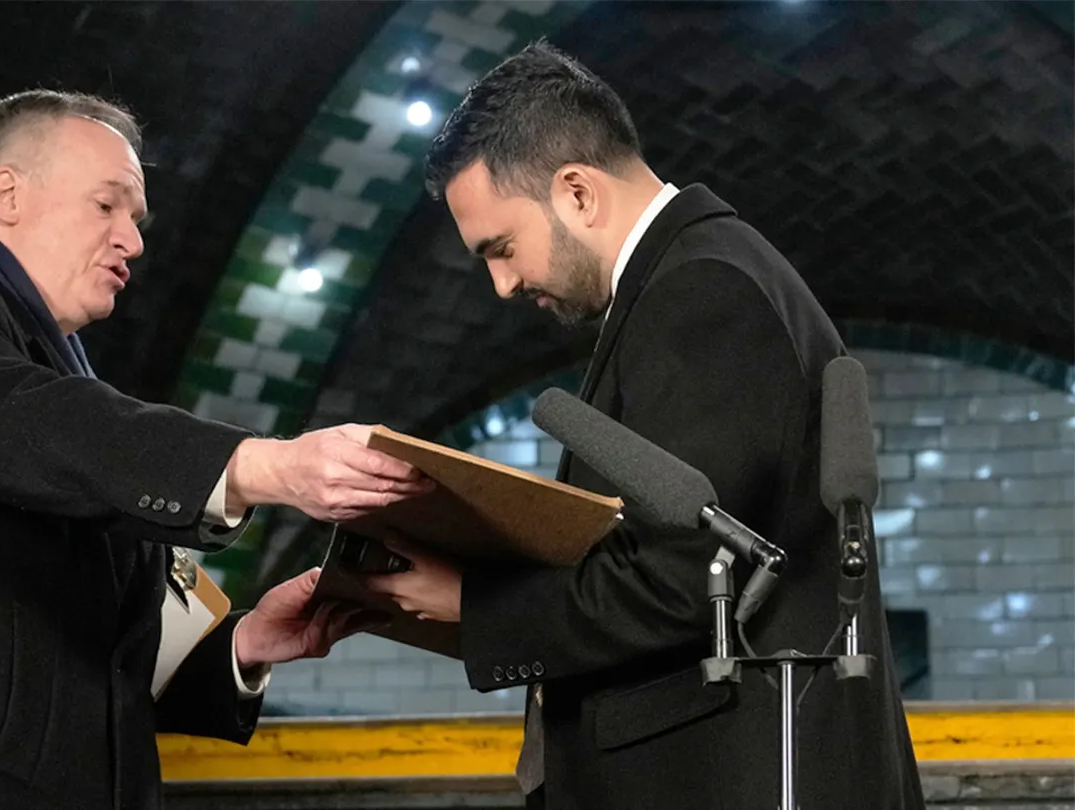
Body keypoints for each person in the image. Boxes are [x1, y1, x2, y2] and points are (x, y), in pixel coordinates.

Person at [0, 90, 431, 810]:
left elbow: (97, 656)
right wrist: (265, 464)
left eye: (136, 220)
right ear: (8, 193)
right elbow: (28, 421)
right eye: (107, 205)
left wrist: (244, 647)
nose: (134, 242)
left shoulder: (69, 385)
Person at [366, 41, 925, 809]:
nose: (501, 283)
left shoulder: (703, 291)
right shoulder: (694, 277)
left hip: (729, 776)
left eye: (500, 247)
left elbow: (693, 571)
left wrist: (476, 603)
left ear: (577, 193)